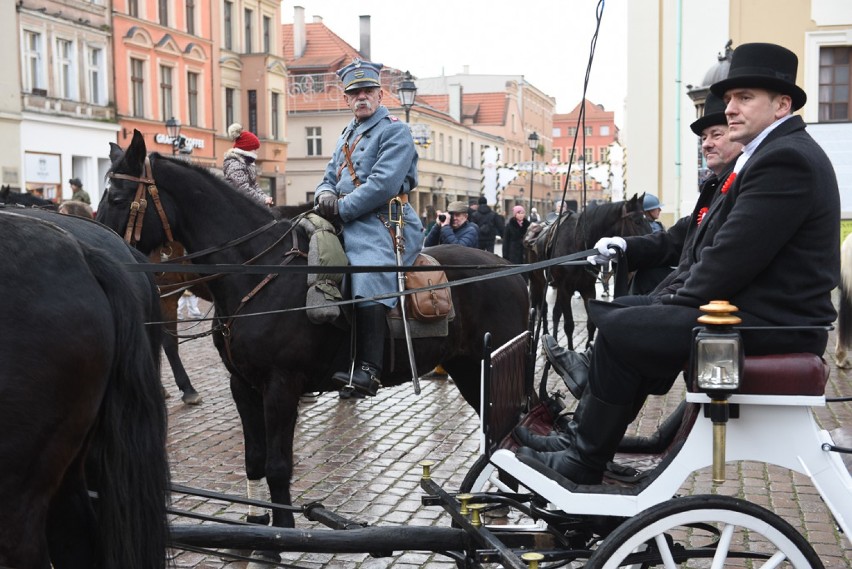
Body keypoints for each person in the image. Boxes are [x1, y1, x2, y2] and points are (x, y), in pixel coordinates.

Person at [516, 42, 839, 485]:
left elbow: (729, 260)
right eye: (729, 100)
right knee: (624, 318)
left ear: (782, 104)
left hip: (773, 321)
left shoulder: (785, 160)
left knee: (620, 328)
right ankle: (585, 439)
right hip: (761, 311)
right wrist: (656, 295)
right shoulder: (769, 156)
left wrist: (667, 303)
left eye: (745, 98)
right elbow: (700, 246)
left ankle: (583, 459)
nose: (730, 110)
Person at [314, 58, 422, 397]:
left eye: (367, 91)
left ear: (379, 93)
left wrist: (341, 209)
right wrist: (325, 196)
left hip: (386, 220)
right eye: (354, 92)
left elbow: (383, 185)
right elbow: (328, 177)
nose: (362, 97)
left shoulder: (394, 129)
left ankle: (369, 368)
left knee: (366, 268)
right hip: (347, 217)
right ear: (347, 99)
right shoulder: (348, 132)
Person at [223, 123, 273, 206]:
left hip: (243, 203)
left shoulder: (247, 163)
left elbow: (253, 185)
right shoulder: (235, 164)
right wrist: (263, 200)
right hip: (235, 205)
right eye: (254, 149)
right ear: (247, 149)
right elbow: (243, 188)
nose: (256, 151)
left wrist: (265, 197)